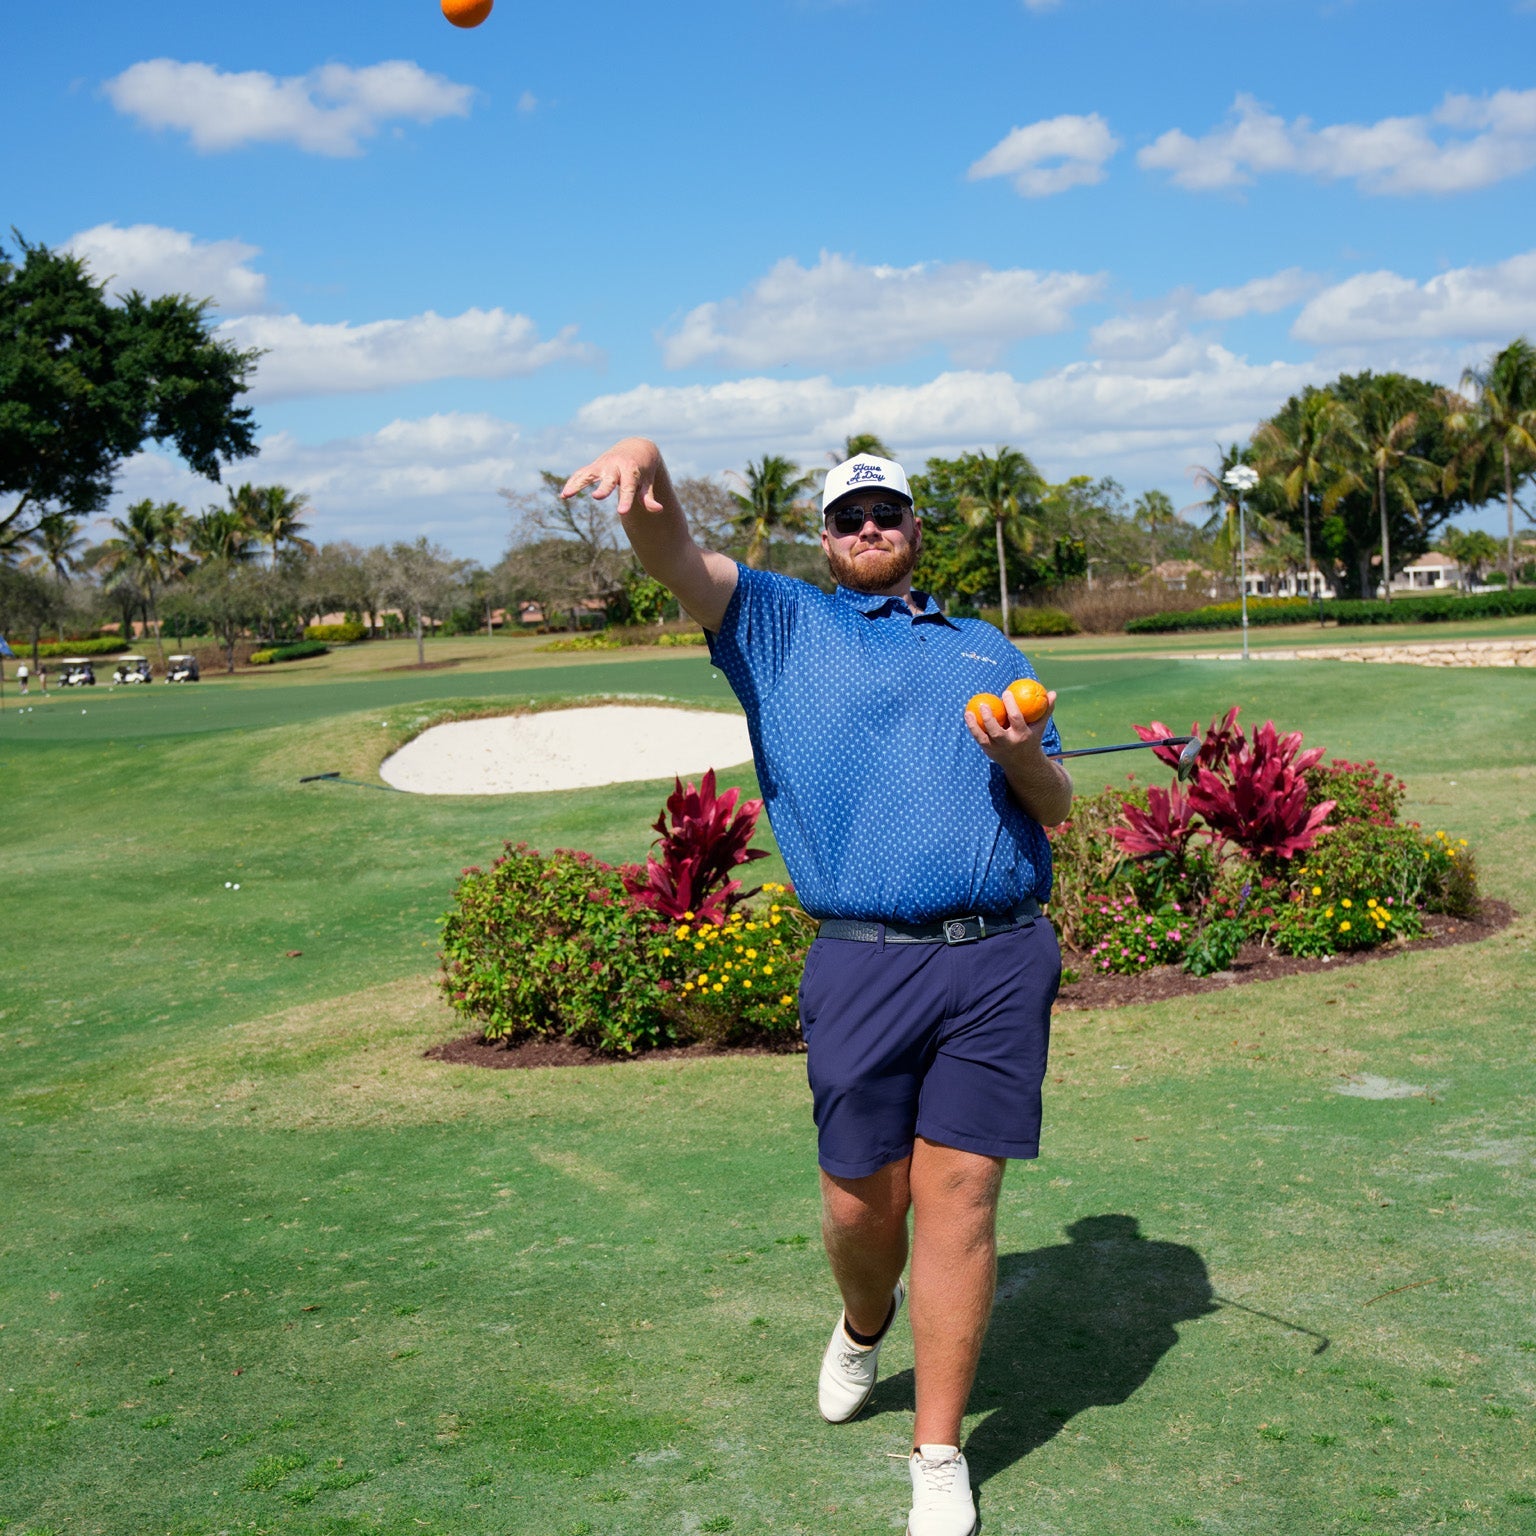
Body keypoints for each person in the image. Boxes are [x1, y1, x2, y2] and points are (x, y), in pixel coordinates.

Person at [562, 438, 1072, 1536]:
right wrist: (649, 479)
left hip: (997, 955)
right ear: (826, 539)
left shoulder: (986, 648)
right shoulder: (782, 624)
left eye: (888, 511)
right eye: (850, 517)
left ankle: (936, 1452)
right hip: (862, 961)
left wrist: (1021, 752)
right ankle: (860, 1319)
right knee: (860, 1201)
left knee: (963, 1200)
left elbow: (1054, 803)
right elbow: (680, 561)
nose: (870, 528)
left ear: (916, 527)